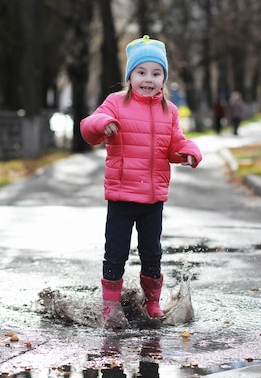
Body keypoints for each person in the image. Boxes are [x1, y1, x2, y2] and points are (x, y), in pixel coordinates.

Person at [80, 35, 202, 328]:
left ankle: (152, 302)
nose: (149, 79)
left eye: (156, 73)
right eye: (142, 72)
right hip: (122, 196)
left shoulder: (168, 111)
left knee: (152, 253)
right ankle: (110, 306)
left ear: (164, 78)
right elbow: (88, 127)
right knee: (116, 252)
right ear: (130, 76)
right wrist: (102, 124)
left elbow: (174, 144)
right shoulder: (115, 103)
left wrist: (187, 152)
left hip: (153, 199)